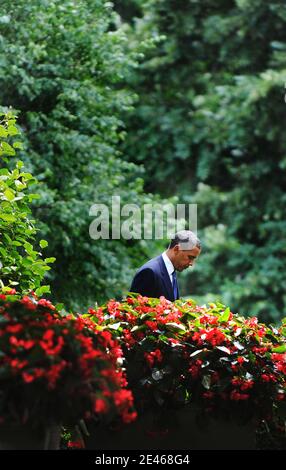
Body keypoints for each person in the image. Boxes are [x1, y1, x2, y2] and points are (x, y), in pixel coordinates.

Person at [130, 230, 201, 301]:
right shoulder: (149, 272)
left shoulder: (172, 271)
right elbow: (132, 308)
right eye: (190, 257)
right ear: (176, 249)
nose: (191, 263)